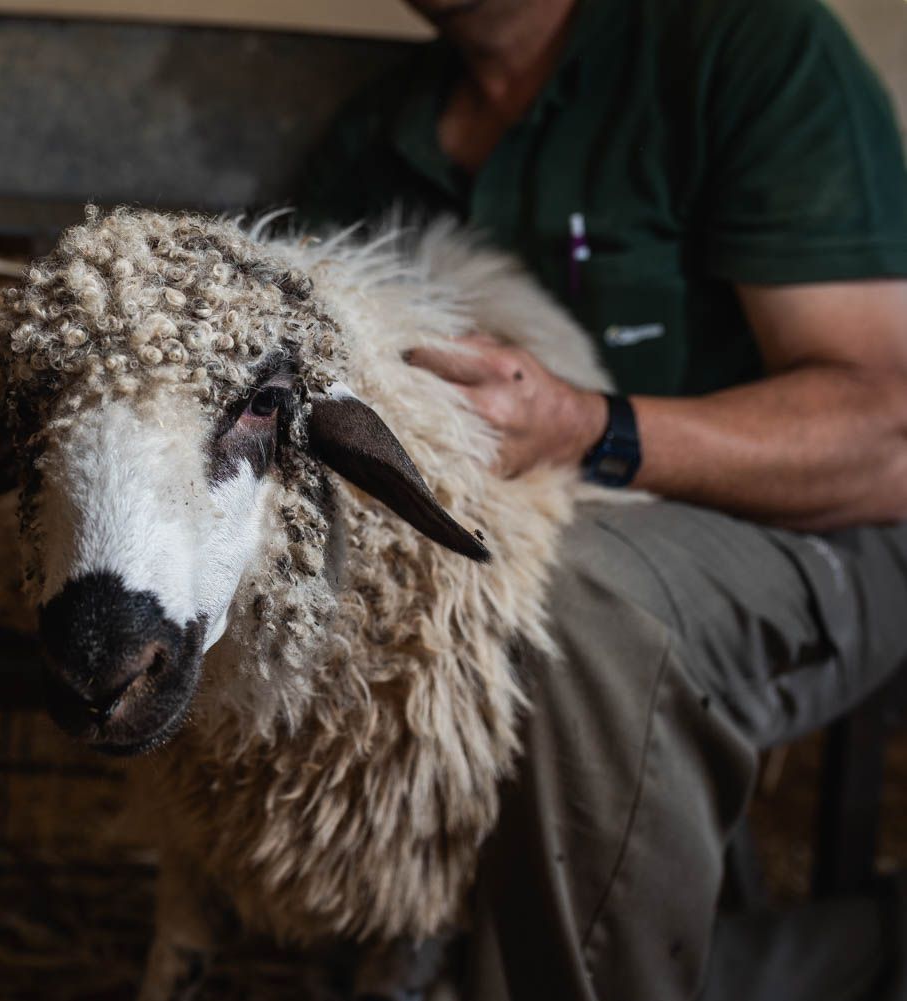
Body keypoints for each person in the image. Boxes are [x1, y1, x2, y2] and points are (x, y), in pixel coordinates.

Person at [298, 0, 907, 999]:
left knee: (570, 608)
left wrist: (593, 427)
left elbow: (886, 432)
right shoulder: (377, 142)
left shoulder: (745, 47)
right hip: (534, 542)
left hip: (814, 524)